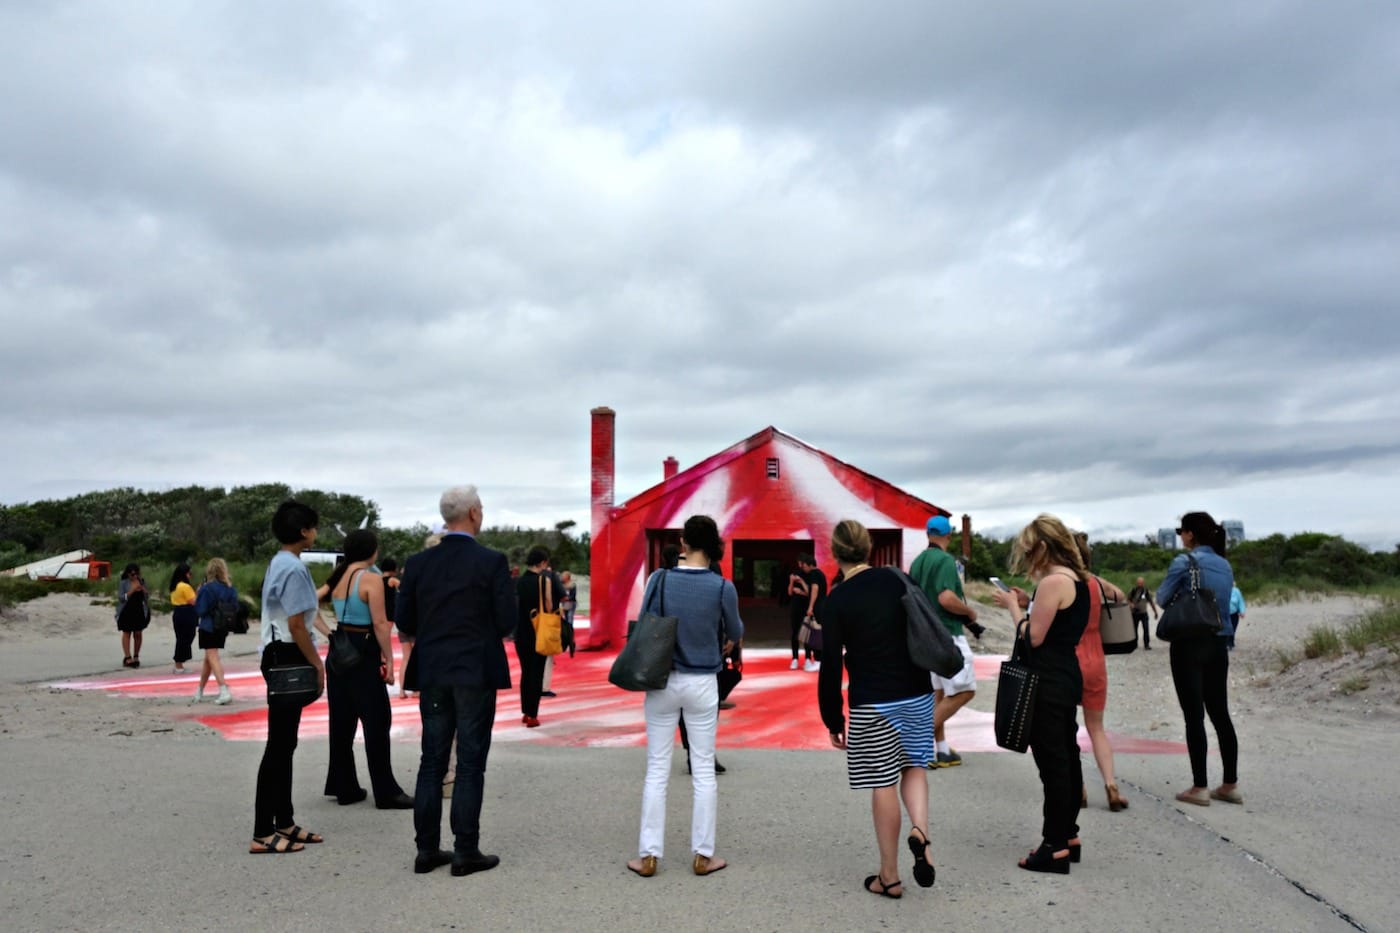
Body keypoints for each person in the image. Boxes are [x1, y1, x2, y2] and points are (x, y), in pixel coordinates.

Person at [396, 485, 515, 876]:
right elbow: (507, 622)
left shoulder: (417, 564)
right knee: (469, 762)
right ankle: (465, 849)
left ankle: (426, 849)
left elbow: (406, 623)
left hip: (433, 669)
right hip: (475, 669)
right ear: (475, 514)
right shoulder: (491, 562)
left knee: (431, 760)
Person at [818, 519, 937, 898]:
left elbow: (831, 664)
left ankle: (890, 876)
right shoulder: (901, 580)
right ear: (868, 548)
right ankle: (921, 831)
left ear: (835, 553)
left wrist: (833, 718)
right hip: (917, 692)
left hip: (873, 701)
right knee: (914, 766)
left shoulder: (837, 600)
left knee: (882, 781)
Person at [627, 514, 743, 879]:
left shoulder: (659, 579)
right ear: (714, 546)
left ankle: (648, 856)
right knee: (704, 769)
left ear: (685, 543)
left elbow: (646, 620)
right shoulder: (722, 587)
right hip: (702, 682)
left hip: (662, 681)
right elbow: (736, 630)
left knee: (657, 769)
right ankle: (702, 855)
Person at [991, 514, 1091, 874]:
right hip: (1065, 676)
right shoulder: (1077, 579)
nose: (1029, 557)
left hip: (1046, 681)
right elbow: (1056, 623)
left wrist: (1014, 608)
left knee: (1053, 764)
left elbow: (1032, 636)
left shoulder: (1052, 582)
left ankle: (1054, 845)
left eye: (1030, 550)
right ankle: (1069, 835)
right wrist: (1027, 600)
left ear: (1043, 547)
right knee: (1067, 753)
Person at [251, 500, 326, 854]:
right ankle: (262, 831)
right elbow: (297, 624)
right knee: (279, 746)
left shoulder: (279, 562)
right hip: (287, 654)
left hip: (276, 652)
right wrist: (318, 664)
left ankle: (284, 821)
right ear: (303, 531)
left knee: (285, 744)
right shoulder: (293, 568)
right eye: (313, 526)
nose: (316, 532)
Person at [319, 530, 412, 809]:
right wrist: (390, 661)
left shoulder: (337, 577)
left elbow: (307, 603)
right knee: (377, 721)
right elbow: (381, 624)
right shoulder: (370, 579)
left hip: (340, 647)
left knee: (342, 722)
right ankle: (386, 791)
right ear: (371, 551)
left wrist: (329, 633)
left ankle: (343, 785)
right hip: (363, 649)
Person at [1158, 512, 1240, 807]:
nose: (1180, 535)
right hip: (1218, 643)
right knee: (1220, 713)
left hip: (1188, 642)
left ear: (1191, 534)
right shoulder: (1224, 564)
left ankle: (1200, 786)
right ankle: (1230, 784)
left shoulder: (1185, 562)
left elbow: (1162, 598)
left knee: (1194, 715)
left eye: (1182, 530)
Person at [908, 515, 980, 768]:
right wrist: (970, 613)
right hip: (947, 633)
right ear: (948, 535)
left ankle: (940, 751)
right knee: (964, 691)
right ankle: (916, 741)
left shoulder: (917, 562)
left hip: (925, 635)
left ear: (928, 534)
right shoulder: (946, 561)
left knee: (938, 693)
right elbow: (947, 598)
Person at [1072, 534, 1130, 812]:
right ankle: (1110, 785)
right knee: (1096, 728)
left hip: (1069, 660)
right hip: (1096, 660)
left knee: (1065, 729)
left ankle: (1078, 789)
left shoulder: (1059, 583)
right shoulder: (1094, 583)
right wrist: (1091, 575)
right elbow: (1119, 595)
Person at [514, 547, 556, 727]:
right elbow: (548, 604)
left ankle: (525, 711)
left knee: (525, 673)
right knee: (537, 673)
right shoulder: (543, 581)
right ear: (542, 563)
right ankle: (532, 714)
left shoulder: (517, 581)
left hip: (520, 631)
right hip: (538, 631)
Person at [193, 558, 237, 705]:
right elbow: (235, 606)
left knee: (212, 656)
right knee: (209, 658)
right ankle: (199, 690)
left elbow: (200, 610)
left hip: (208, 626)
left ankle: (223, 688)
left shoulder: (207, 588)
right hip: (223, 626)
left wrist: (199, 594)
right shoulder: (230, 588)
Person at [381, 557, 412, 698]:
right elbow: (404, 588)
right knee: (386, 638)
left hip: (380, 611)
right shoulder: (392, 581)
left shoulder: (377, 580)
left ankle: (401, 691)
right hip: (390, 612)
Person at [787, 557, 823, 671]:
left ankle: (809, 658)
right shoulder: (796, 574)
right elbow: (789, 592)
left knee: (809, 634)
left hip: (806, 608)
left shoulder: (812, 575)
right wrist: (792, 581)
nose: (801, 566)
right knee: (795, 633)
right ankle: (795, 658)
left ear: (806, 564)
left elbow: (811, 591)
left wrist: (802, 588)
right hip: (796, 608)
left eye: (802, 564)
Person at [115, 563, 150, 668]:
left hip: (139, 610)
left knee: (138, 633)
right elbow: (121, 598)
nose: (134, 576)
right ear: (128, 574)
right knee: (127, 633)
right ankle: (127, 657)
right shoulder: (124, 583)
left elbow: (147, 597)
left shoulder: (142, 581)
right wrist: (132, 590)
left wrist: (144, 590)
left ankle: (136, 655)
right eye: (131, 574)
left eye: (136, 574)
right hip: (126, 610)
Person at [168, 563, 198, 674]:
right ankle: (179, 663)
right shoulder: (185, 586)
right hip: (186, 612)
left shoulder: (174, 586)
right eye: (189, 573)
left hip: (178, 612)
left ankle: (179, 662)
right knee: (186, 637)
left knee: (181, 637)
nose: (190, 576)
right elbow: (193, 601)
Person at [1127, 576, 1158, 650]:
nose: (1140, 584)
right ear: (1136, 583)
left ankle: (1146, 644)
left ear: (1143, 583)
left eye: (1141, 583)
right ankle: (1134, 644)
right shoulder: (1133, 590)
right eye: (1138, 583)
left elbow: (1151, 602)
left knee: (1146, 629)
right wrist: (1131, 604)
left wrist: (1155, 612)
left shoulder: (1146, 591)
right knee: (1134, 630)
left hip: (1144, 613)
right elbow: (1128, 599)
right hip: (1135, 613)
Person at [1228, 584, 1247, 650]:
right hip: (1224, 614)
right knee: (1227, 628)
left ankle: (1231, 643)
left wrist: (1242, 611)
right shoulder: (1221, 589)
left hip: (1234, 614)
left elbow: (1241, 601)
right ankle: (1228, 642)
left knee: (1233, 629)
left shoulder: (1236, 591)